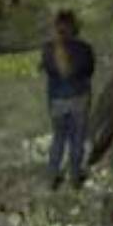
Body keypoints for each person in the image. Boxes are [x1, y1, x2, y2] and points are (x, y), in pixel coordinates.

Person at [41, 10, 95, 191]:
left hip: (57, 100)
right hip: (80, 98)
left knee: (59, 138)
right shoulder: (85, 48)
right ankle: (74, 178)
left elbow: (47, 69)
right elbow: (89, 71)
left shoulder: (48, 49)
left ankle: (51, 177)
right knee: (77, 139)